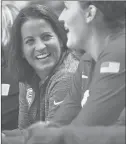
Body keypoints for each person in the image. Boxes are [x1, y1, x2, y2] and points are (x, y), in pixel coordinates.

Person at [2, 1, 125, 144]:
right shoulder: (87, 61)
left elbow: (72, 135)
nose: (61, 18)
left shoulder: (119, 51)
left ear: (90, 13)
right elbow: (57, 126)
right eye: (29, 41)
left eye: (67, 8)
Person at [2, 3, 79, 136]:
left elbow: (51, 139)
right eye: (30, 41)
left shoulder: (66, 76)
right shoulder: (27, 75)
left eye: (46, 37)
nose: (40, 47)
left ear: (60, 39)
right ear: (21, 51)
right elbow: (24, 131)